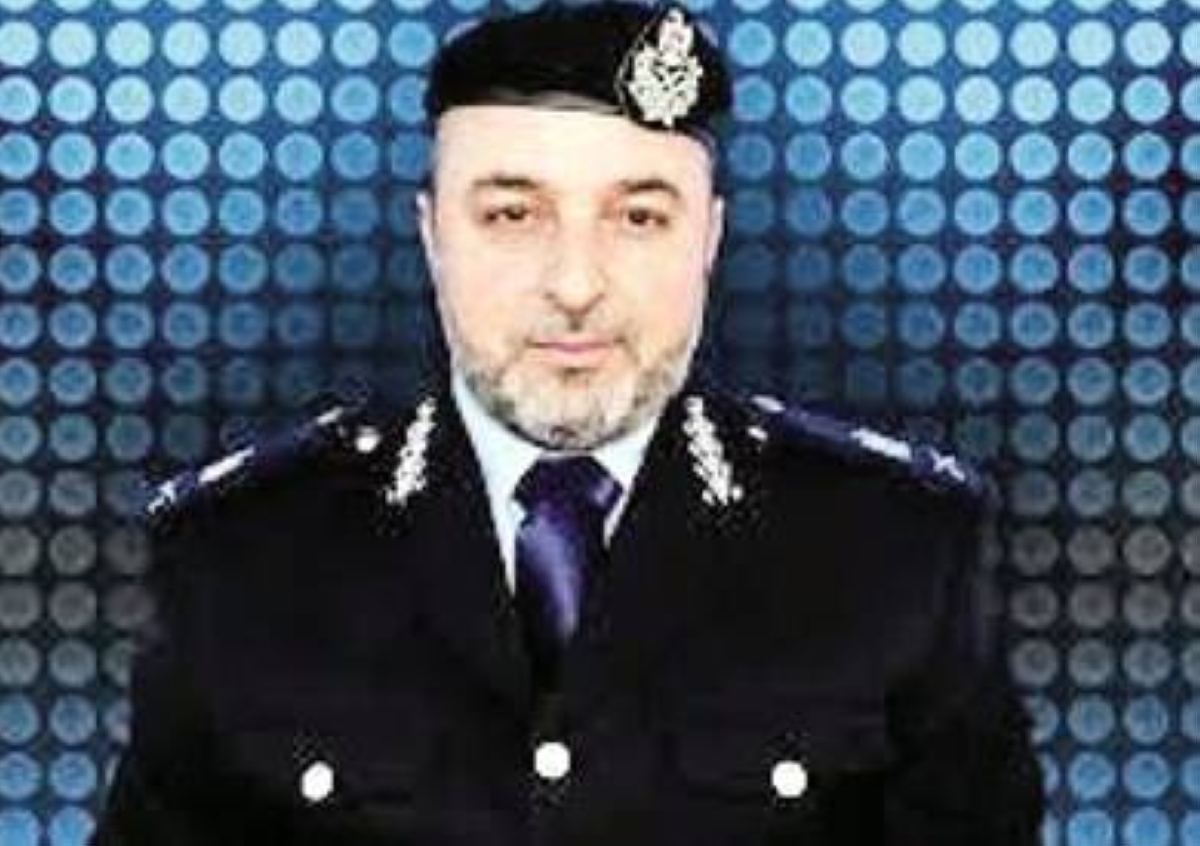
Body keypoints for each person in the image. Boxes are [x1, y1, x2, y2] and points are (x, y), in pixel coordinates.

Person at [94, 2, 1044, 843]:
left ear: (709, 239)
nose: (577, 284)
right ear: (432, 237)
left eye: (639, 218)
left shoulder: (897, 549)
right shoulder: (239, 554)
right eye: (513, 215)